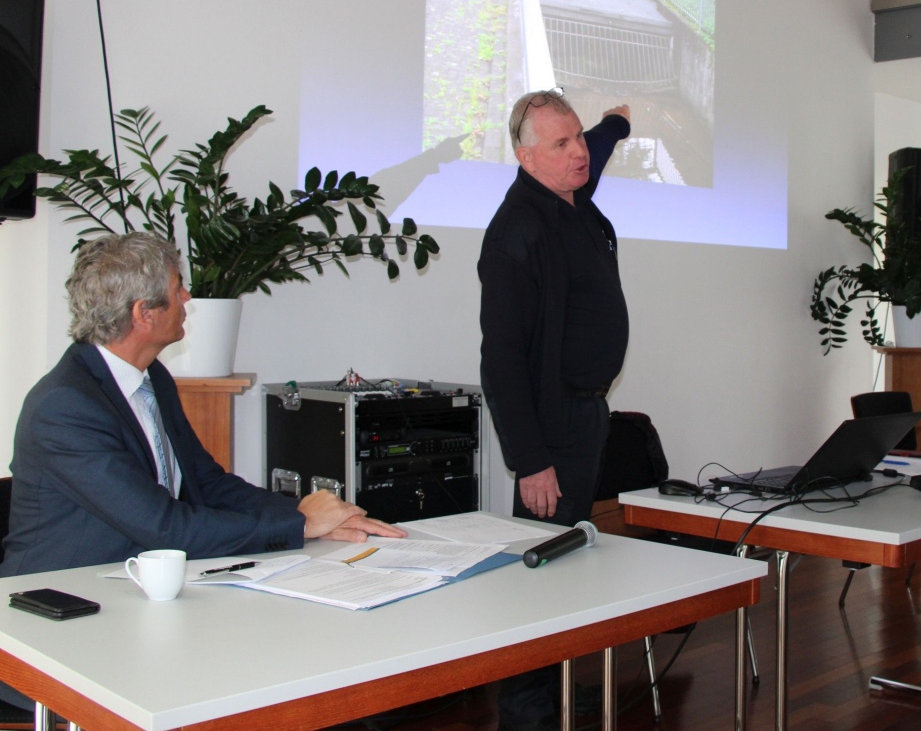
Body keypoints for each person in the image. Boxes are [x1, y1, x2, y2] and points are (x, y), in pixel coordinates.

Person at [1, 232, 402, 580]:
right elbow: (164, 527)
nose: (187, 298)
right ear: (143, 313)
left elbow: (206, 484)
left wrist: (302, 512)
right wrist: (300, 524)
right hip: (58, 604)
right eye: (177, 290)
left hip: (136, 584)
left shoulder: (151, 376)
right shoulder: (65, 408)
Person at [478, 89, 630, 731]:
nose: (578, 154)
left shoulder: (569, 193)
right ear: (525, 157)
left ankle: (556, 685)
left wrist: (616, 125)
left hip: (588, 415)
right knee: (542, 570)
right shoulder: (517, 231)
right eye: (561, 144)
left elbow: (591, 150)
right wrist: (531, 462)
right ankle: (525, 711)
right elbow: (501, 361)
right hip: (552, 427)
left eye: (577, 139)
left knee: (570, 564)